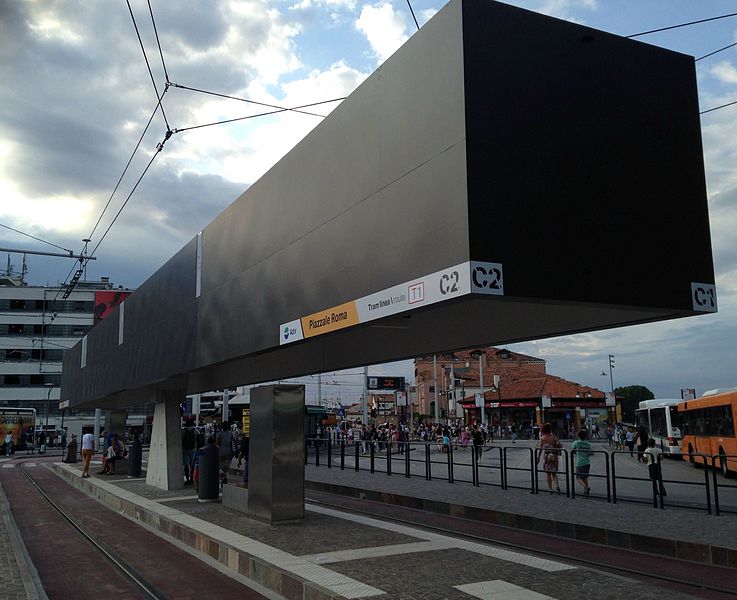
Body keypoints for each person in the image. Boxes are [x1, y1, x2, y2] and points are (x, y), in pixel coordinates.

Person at [538, 423, 562, 494]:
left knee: (548, 474)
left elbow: (540, 449)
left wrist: (538, 457)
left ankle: (550, 489)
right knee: (554, 473)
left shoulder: (543, 438)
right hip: (554, 456)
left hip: (547, 457)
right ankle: (557, 485)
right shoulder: (554, 437)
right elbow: (559, 445)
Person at [572, 429, 593, 497]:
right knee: (585, 478)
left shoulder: (576, 443)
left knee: (578, 478)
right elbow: (591, 453)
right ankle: (586, 492)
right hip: (587, 462)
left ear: (578, 436)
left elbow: (573, 450)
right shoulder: (588, 444)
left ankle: (586, 487)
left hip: (580, 462)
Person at [182, 418, 197, 485]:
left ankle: (187, 479)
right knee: (192, 465)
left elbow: (180, 440)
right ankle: (192, 479)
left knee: (186, 465)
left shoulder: (183, 431)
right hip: (193, 449)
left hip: (184, 449)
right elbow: (198, 440)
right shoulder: (195, 431)